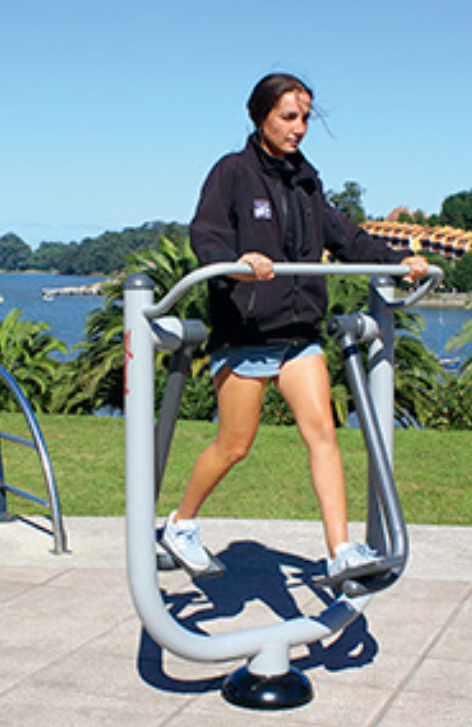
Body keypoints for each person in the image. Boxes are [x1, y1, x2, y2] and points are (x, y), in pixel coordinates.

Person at [161, 72, 429, 581]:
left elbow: (347, 238)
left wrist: (398, 262)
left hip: (299, 332)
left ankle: (340, 551)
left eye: (305, 118)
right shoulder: (233, 172)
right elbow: (207, 234)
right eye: (289, 116)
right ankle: (181, 525)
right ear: (261, 116)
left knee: (323, 433)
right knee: (235, 444)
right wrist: (237, 262)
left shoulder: (306, 181)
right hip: (248, 331)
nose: (299, 127)